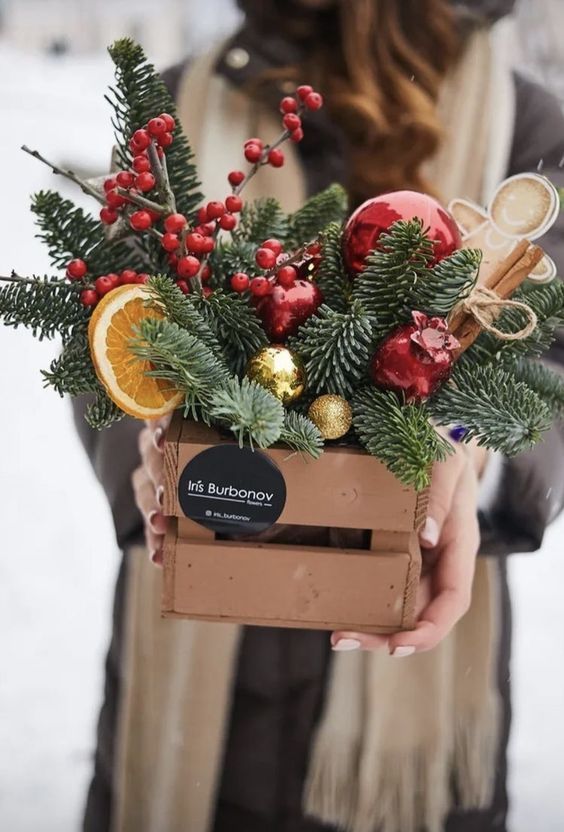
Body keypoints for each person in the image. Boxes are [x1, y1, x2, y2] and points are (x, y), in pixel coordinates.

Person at [73, 1, 564, 830]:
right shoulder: (175, 105)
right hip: (203, 644)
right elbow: (108, 334)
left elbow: (550, 372)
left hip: (416, 664)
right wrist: (149, 448)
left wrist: (460, 455)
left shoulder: (530, 131)